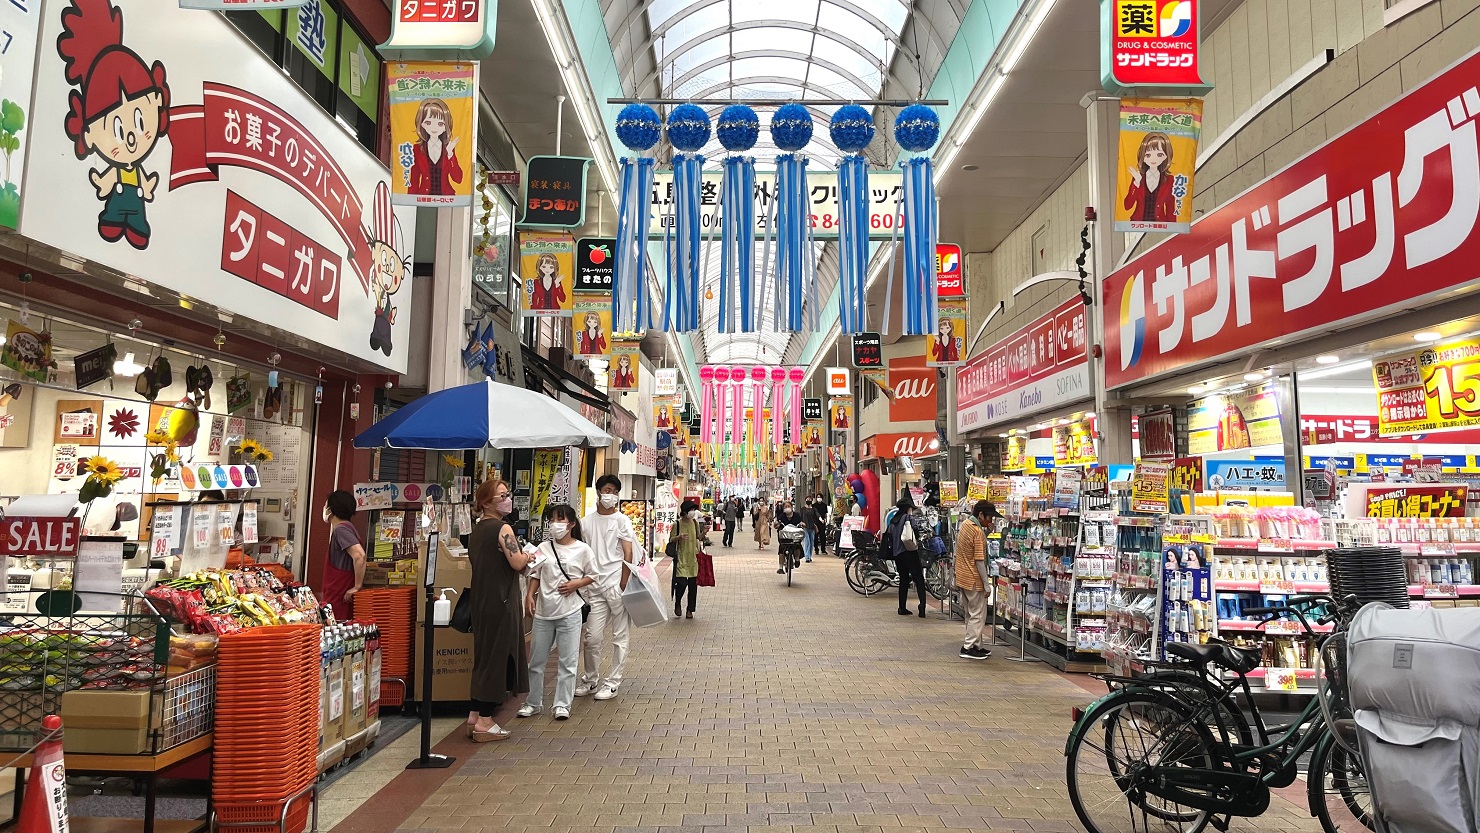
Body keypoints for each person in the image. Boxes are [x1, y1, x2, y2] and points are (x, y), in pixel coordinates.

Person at [466, 478, 534, 742]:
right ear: (485, 503)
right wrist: (530, 556)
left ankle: (473, 714)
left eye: (508, 494)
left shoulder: (477, 529)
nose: (507, 499)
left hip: (481, 600)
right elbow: (517, 562)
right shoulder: (502, 528)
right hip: (501, 600)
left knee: (483, 655)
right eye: (502, 496)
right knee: (496, 658)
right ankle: (485, 720)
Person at [518, 505, 597, 721]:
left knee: (568, 661)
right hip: (544, 611)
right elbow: (535, 574)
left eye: (560, 520)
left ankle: (562, 704)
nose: (555, 524)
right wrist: (530, 596)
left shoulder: (582, 549)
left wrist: (575, 584)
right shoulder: (543, 547)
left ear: (571, 524)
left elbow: (593, 575)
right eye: (552, 520)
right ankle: (533, 702)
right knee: (536, 661)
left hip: (570, 611)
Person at [578, 475, 636, 701]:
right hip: (594, 586)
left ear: (617, 494)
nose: (609, 494)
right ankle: (591, 679)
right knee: (591, 637)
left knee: (620, 635)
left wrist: (624, 581)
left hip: (616, 584)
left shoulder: (622, 521)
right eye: (605, 490)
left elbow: (628, 552)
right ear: (598, 492)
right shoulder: (585, 522)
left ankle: (613, 682)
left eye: (613, 490)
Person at [956, 501, 1001, 660]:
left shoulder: (966, 525)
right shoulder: (977, 532)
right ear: (980, 515)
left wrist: (986, 533)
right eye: (989, 518)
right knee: (978, 614)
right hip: (973, 578)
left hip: (963, 576)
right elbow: (979, 560)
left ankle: (977, 645)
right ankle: (968, 647)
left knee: (971, 613)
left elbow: (974, 548)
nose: (991, 521)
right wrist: (986, 584)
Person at [320, 490, 366, 621]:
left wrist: (357, 586)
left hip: (339, 595)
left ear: (332, 509)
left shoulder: (341, 530)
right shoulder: (349, 527)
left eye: (326, 505)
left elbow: (359, 556)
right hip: (337, 592)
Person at [407, 98, 463, 197]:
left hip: (446, 198)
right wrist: (410, 201)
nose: (434, 128)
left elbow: (458, 179)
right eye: (428, 123)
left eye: (440, 124)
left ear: (446, 126)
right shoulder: (417, 149)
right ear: (422, 124)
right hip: (423, 197)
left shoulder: (449, 148)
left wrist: (450, 154)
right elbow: (414, 178)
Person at [888, 492, 929, 618]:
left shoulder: (893, 520)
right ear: (908, 508)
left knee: (903, 580)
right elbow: (915, 532)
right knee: (919, 579)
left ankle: (902, 607)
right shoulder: (908, 518)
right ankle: (922, 607)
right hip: (909, 552)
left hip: (897, 554)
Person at [1123, 131, 1177, 223]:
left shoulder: (1170, 180)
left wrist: (1173, 229)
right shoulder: (1138, 177)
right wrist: (1136, 183)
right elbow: (1127, 206)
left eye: (1159, 155)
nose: (1153, 159)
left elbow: (1170, 209)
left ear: (1166, 156)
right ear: (1142, 157)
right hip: (1138, 225)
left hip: (1160, 224)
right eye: (1148, 155)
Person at [672, 500, 703, 618]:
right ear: (684, 512)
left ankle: (690, 609)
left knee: (693, 586)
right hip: (681, 557)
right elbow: (671, 539)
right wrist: (679, 537)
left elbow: (698, 537)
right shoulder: (677, 524)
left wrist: (704, 533)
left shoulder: (694, 523)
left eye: (693, 510)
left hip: (693, 558)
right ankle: (678, 602)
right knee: (681, 583)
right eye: (691, 510)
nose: (693, 512)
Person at [774, 500, 803, 574]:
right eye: (785, 507)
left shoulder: (796, 515)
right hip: (784, 537)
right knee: (781, 549)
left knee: (797, 545)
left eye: (788, 506)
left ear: (792, 507)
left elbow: (801, 522)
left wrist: (802, 524)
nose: (787, 508)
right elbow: (776, 524)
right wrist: (777, 524)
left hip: (794, 536)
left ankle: (797, 559)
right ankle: (780, 567)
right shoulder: (782, 516)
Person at [801, 497, 821, 563]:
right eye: (807, 500)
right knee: (807, 542)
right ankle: (807, 557)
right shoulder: (803, 509)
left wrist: (821, 519)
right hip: (805, 527)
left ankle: (809, 556)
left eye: (810, 500)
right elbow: (800, 517)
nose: (808, 501)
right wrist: (801, 523)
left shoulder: (814, 509)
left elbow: (818, 515)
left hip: (812, 527)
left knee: (811, 542)